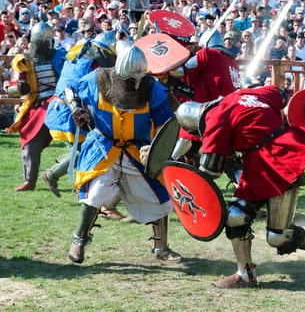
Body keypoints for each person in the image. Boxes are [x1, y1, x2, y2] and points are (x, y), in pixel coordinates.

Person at [170, 86, 305, 288]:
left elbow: (210, 171)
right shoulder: (242, 94)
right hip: (288, 148)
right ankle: (249, 273)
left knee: (259, 228)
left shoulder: (215, 119)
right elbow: (281, 95)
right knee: (256, 226)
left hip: (273, 163)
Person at [65, 43, 181, 264]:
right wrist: (76, 109)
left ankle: (161, 247)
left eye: (139, 81)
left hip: (138, 151)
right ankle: (79, 240)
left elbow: (166, 126)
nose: (135, 85)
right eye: (130, 81)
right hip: (103, 147)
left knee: (158, 197)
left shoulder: (152, 89)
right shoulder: (98, 81)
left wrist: (158, 151)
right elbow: (70, 89)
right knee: (96, 194)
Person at [42, 38, 117, 197]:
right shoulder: (90, 66)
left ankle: (76, 185)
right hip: (68, 111)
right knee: (85, 150)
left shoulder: (77, 59)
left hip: (63, 109)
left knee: (82, 148)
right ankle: (57, 177)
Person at [7, 22, 67, 192]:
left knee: (76, 142)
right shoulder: (24, 60)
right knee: (29, 138)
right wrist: (20, 87)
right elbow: (12, 87)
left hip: (61, 103)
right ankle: (30, 180)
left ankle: (70, 178)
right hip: (37, 105)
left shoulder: (61, 57)